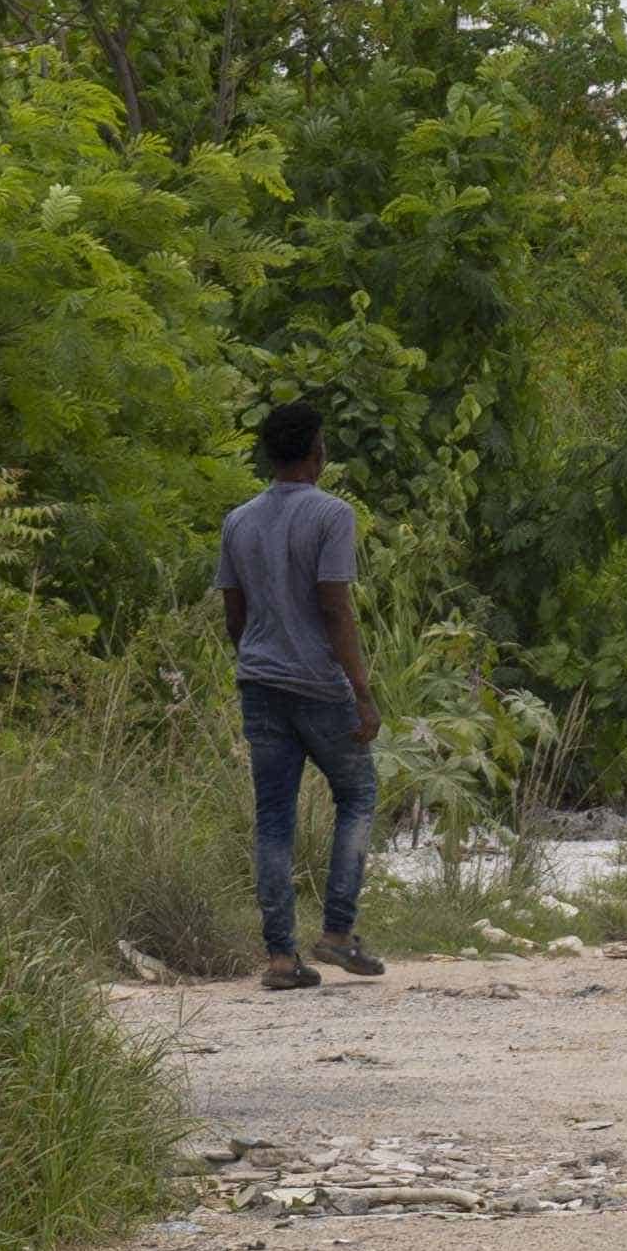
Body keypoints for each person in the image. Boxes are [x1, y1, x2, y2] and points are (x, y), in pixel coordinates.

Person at [215, 397, 381, 993]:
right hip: (317, 684)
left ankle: (281, 957)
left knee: (274, 818)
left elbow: (234, 614)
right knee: (358, 793)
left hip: (260, 683)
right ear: (318, 451)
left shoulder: (239, 520)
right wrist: (361, 693)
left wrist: (259, 659)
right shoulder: (332, 515)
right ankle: (337, 931)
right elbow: (335, 607)